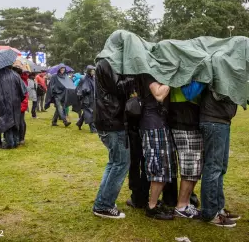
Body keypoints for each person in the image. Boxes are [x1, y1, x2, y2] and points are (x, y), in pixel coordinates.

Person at [93, 58, 134, 219]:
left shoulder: (104, 63)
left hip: (108, 119)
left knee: (114, 162)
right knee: (121, 163)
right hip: (111, 120)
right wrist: (134, 77)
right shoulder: (106, 63)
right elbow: (117, 88)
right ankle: (103, 205)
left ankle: (104, 201)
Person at [137, 74, 177, 220]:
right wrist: (174, 78)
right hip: (153, 125)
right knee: (158, 167)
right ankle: (152, 207)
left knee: (163, 167)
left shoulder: (152, 72)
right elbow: (159, 95)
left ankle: (153, 203)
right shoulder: (148, 74)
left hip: (157, 123)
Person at [200, 88, 239, 227]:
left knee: (220, 167)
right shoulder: (218, 68)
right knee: (213, 168)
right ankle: (209, 213)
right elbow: (220, 92)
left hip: (221, 121)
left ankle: (218, 208)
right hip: (214, 121)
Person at [168, 86, 203, 219]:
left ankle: (186, 203)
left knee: (195, 166)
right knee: (190, 165)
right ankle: (181, 206)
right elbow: (190, 93)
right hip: (183, 118)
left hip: (188, 118)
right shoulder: (187, 70)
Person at [0, 67, 26, 149]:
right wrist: (18, 100)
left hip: (1, 103)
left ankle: (10, 143)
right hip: (15, 103)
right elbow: (23, 91)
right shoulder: (16, 75)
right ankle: (15, 141)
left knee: (6, 123)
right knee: (14, 122)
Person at [76, 66, 97, 133]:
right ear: (89, 71)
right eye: (92, 71)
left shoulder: (93, 79)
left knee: (87, 113)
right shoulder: (84, 79)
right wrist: (84, 91)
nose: (93, 72)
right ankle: (92, 128)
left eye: (94, 71)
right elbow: (79, 89)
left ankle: (79, 123)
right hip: (86, 99)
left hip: (92, 99)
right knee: (90, 113)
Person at [19, 71, 29, 144]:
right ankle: (21, 138)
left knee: (21, 121)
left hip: (21, 102)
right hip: (23, 102)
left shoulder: (21, 80)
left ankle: (21, 138)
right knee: (21, 120)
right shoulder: (24, 79)